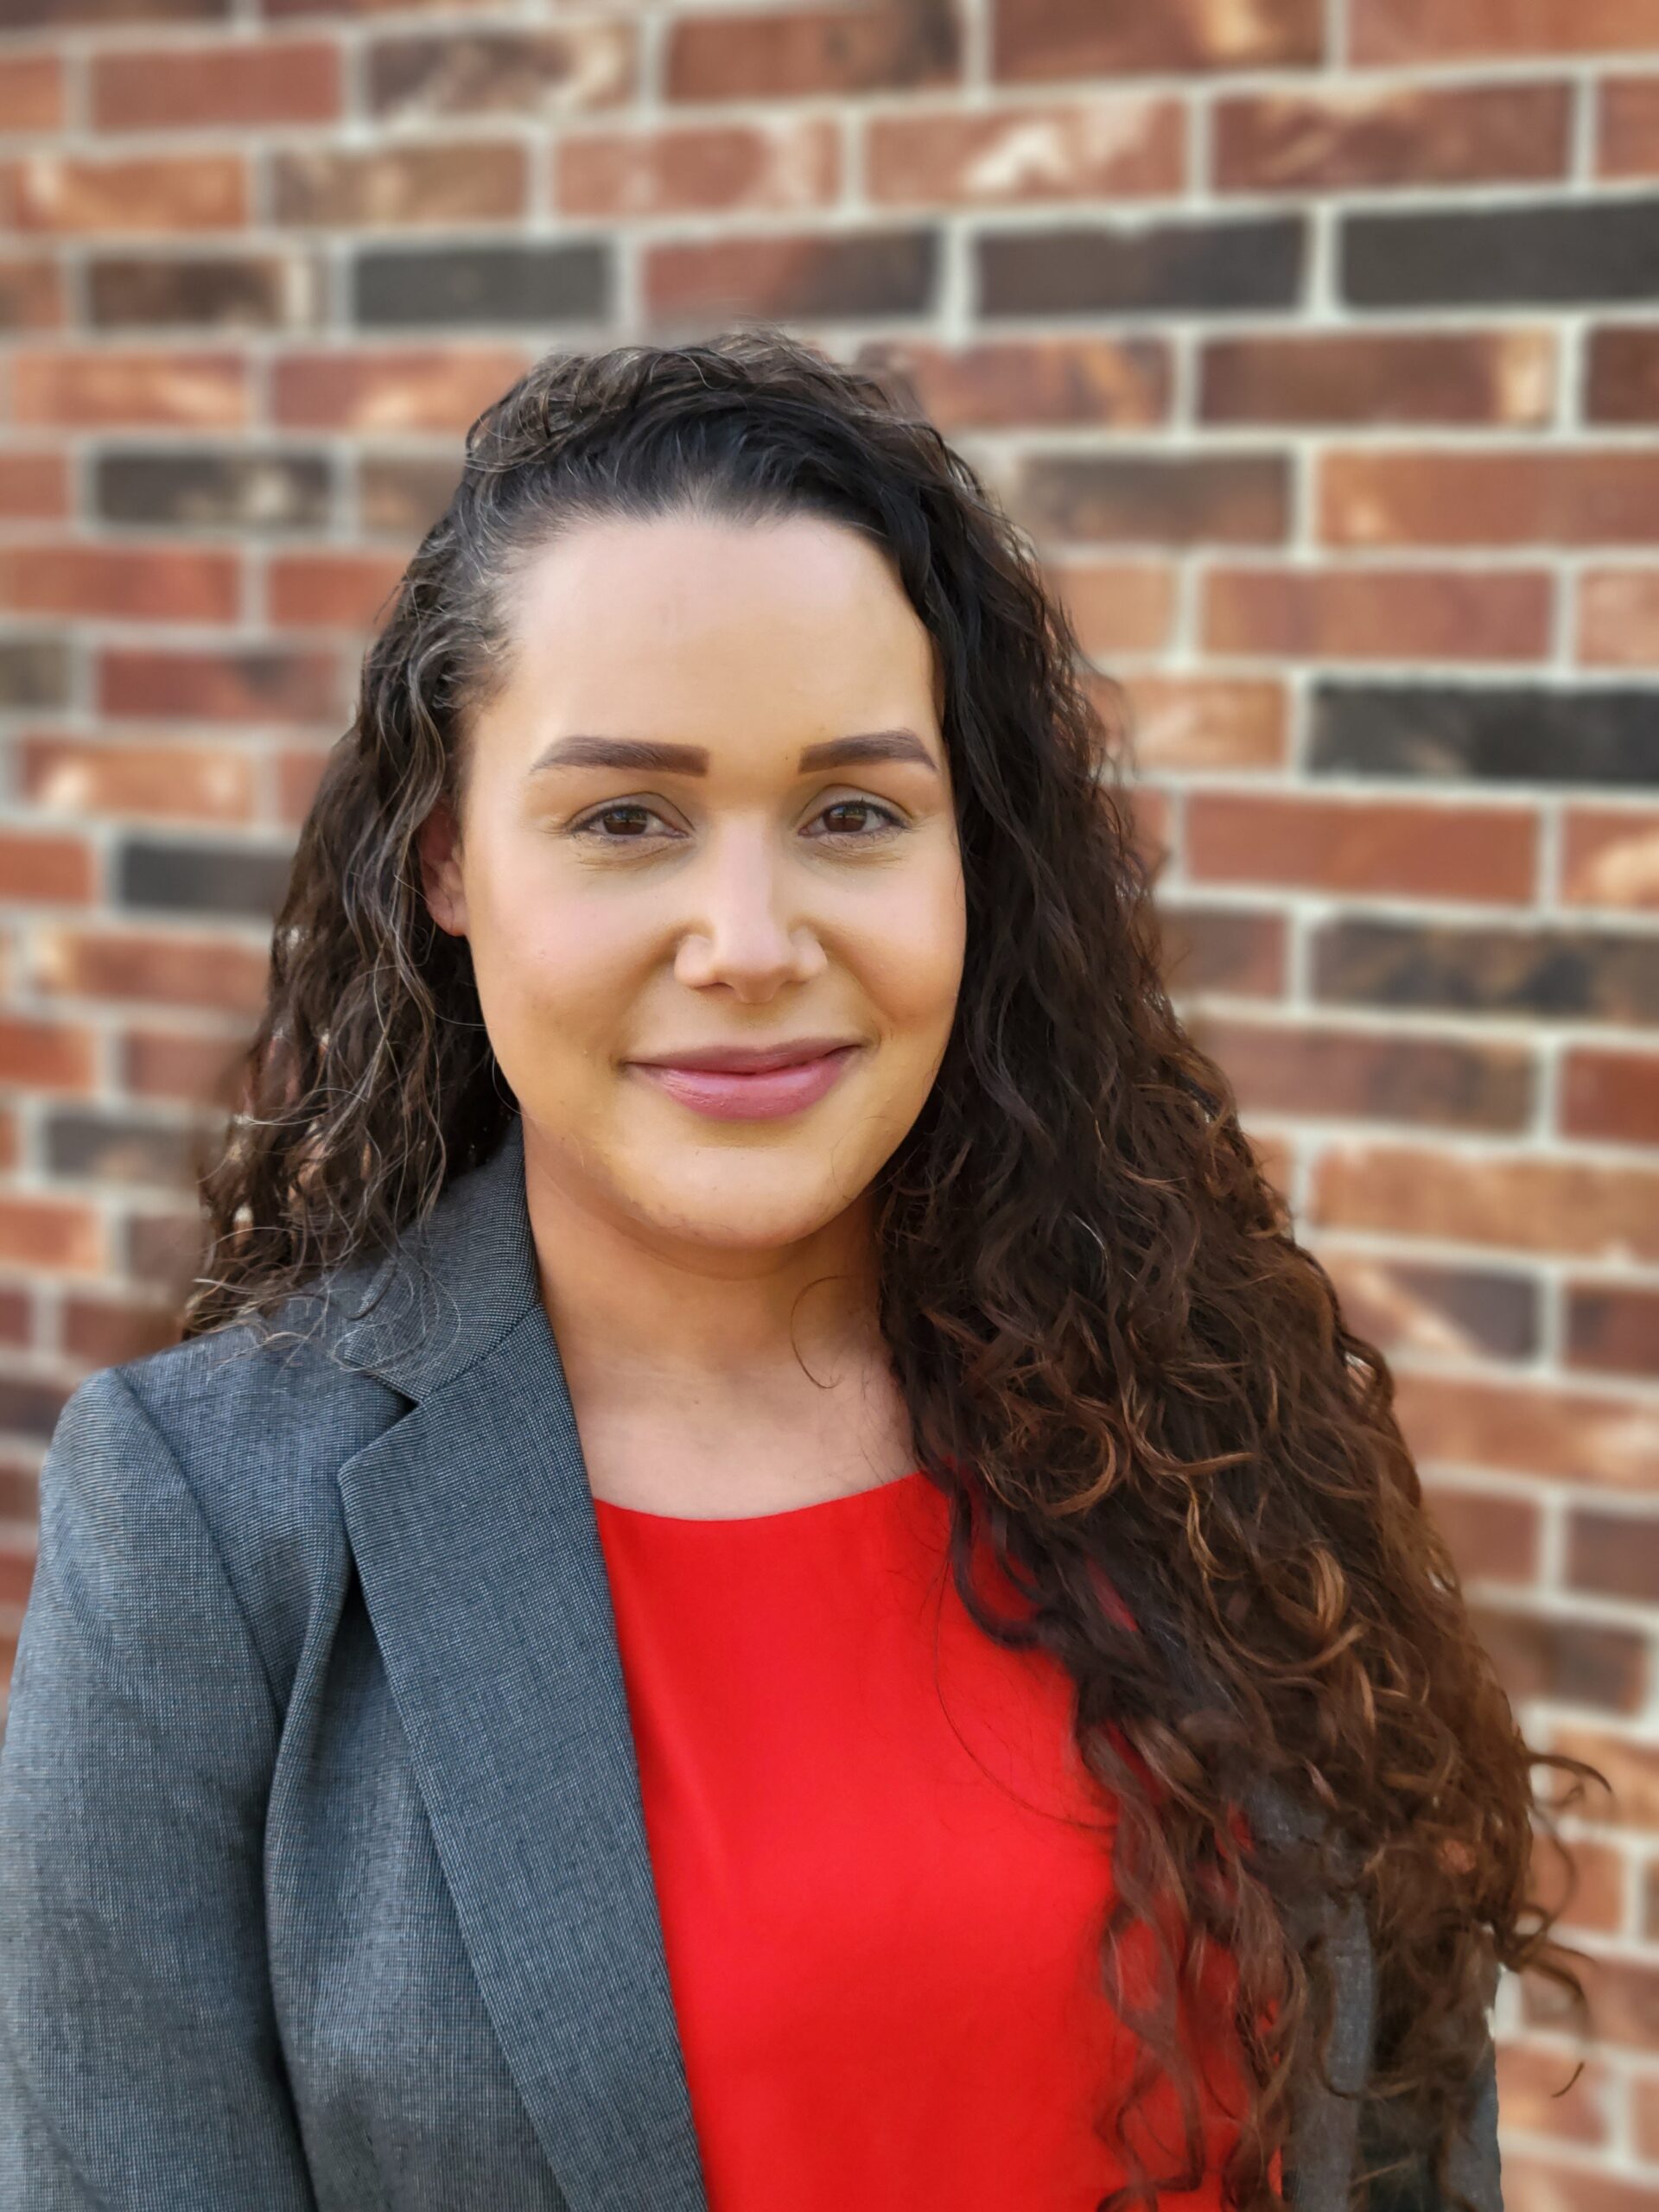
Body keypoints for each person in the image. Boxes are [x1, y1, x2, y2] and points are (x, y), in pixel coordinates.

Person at [0, 327, 1591, 2211]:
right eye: (625, 818)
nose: (748, 939)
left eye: (851, 811)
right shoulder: (211, 1526)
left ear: (967, 853)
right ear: (444, 859)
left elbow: (1409, 2147)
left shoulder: (1207, 1429)